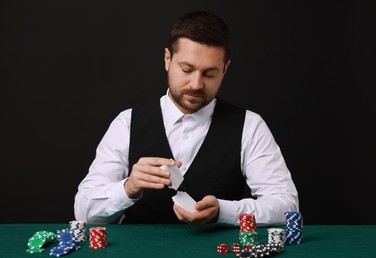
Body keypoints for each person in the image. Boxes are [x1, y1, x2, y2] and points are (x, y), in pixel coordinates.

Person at [74, 10, 299, 226]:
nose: (196, 84)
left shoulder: (250, 126)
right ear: (167, 59)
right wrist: (128, 187)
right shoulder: (127, 123)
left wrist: (224, 211)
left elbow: (287, 206)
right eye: (186, 69)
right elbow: (84, 212)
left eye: (209, 74)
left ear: (225, 70)